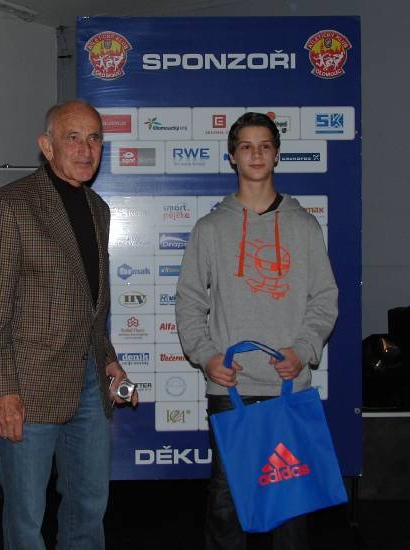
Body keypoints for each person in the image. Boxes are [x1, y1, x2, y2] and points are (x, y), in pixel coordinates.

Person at [0, 99, 137, 550]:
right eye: (73, 137)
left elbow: (90, 305)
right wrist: (2, 392)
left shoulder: (98, 208)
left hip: (89, 385)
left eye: (94, 138)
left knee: (89, 506)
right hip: (26, 388)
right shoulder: (9, 205)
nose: (86, 149)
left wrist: (109, 362)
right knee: (26, 515)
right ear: (47, 146)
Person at [175, 112, 338, 550]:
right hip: (231, 390)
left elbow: (325, 298)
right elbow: (189, 302)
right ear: (232, 157)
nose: (256, 154)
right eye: (246, 146)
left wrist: (303, 349)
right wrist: (207, 356)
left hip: (289, 386)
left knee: (292, 509)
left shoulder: (304, 226)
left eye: (265, 145)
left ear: (277, 154)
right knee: (226, 506)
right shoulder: (211, 229)